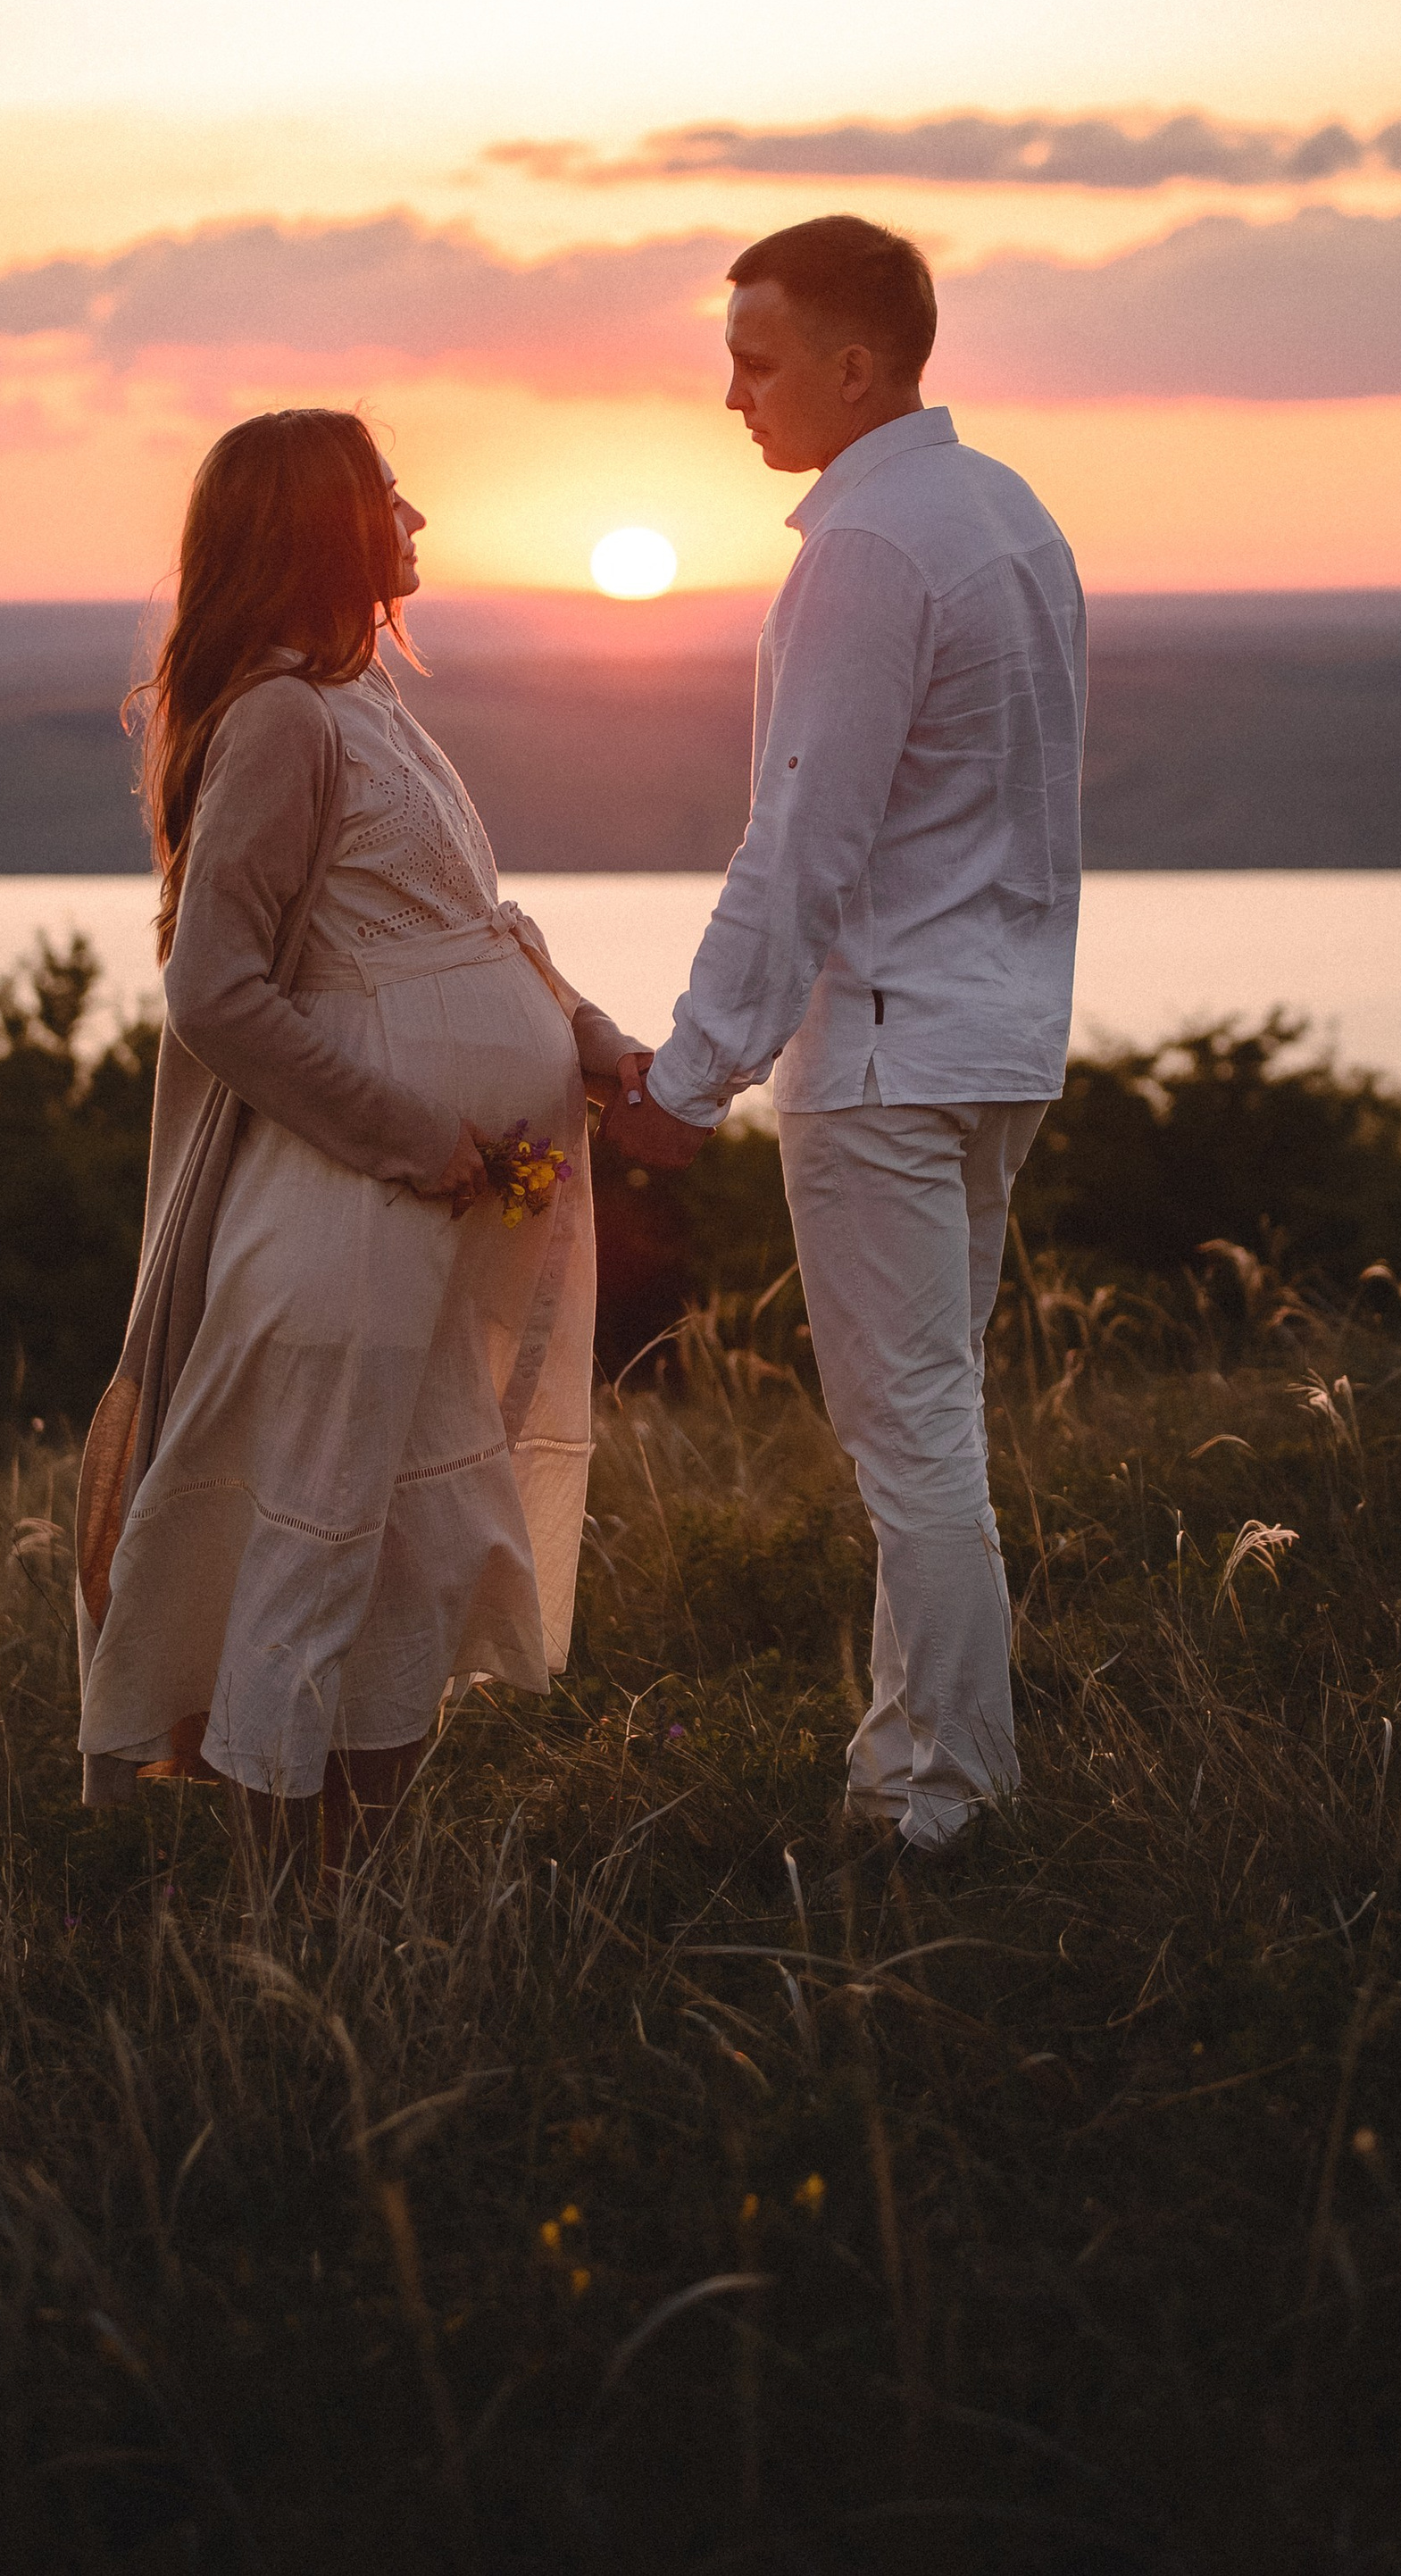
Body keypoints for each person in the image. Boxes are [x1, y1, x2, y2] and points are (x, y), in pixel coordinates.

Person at [77, 408, 646, 1889]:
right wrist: (408, 1134)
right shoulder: (278, 717)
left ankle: (358, 1894)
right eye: (391, 496)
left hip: (425, 1215)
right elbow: (215, 991)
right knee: (320, 1555)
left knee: (425, 1557)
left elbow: (478, 930)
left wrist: (589, 1038)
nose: (420, 517)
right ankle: (291, 1917)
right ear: (323, 526)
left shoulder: (370, 704)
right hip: (344, 1215)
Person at [604, 215, 1085, 1886]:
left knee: (914, 1448)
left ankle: (951, 1805)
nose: (731, 391)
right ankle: (903, 1770)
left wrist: (686, 1077)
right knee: (931, 1427)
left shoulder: (869, 550)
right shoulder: (1010, 516)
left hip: (885, 1058)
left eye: (757, 355)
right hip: (999, 1041)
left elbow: (801, 841)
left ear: (856, 364)